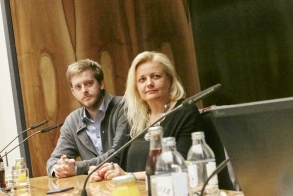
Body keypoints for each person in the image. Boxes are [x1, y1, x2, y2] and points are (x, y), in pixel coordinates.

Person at [90, 51, 203, 181]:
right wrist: (101, 169)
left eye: (155, 76)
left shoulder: (185, 111)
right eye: (142, 79)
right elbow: (117, 156)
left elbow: (183, 166)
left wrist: (130, 176)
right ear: (136, 87)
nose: (149, 83)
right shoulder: (137, 116)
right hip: (136, 194)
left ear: (170, 81)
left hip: (173, 194)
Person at [46, 59, 129, 178]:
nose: (84, 90)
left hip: (128, 185)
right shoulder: (73, 120)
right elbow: (54, 160)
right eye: (78, 87)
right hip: (96, 189)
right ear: (73, 92)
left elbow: (116, 154)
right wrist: (60, 168)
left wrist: (76, 169)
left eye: (89, 83)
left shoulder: (123, 106)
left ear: (101, 84)